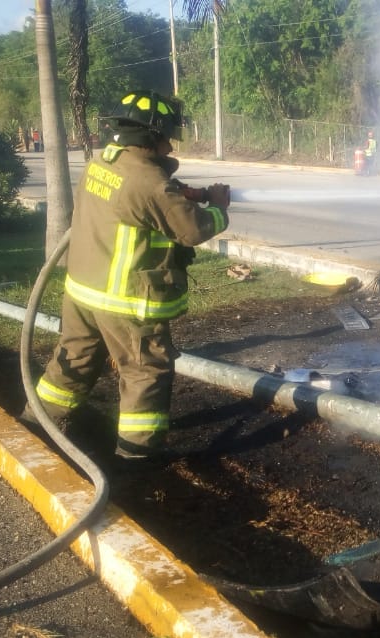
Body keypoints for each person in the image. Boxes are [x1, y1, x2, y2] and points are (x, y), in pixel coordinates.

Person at [26, 90, 231, 461]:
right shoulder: (149, 183)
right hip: (124, 301)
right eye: (167, 136)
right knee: (145, 372)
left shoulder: (102, 162)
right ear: (151, 136)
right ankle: (136, 457)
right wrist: (217, 207)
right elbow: (193, 230)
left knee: (74, 359)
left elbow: (141, 199)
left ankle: (36, 423)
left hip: (83, 292)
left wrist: (180, 191)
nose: (170, 145)